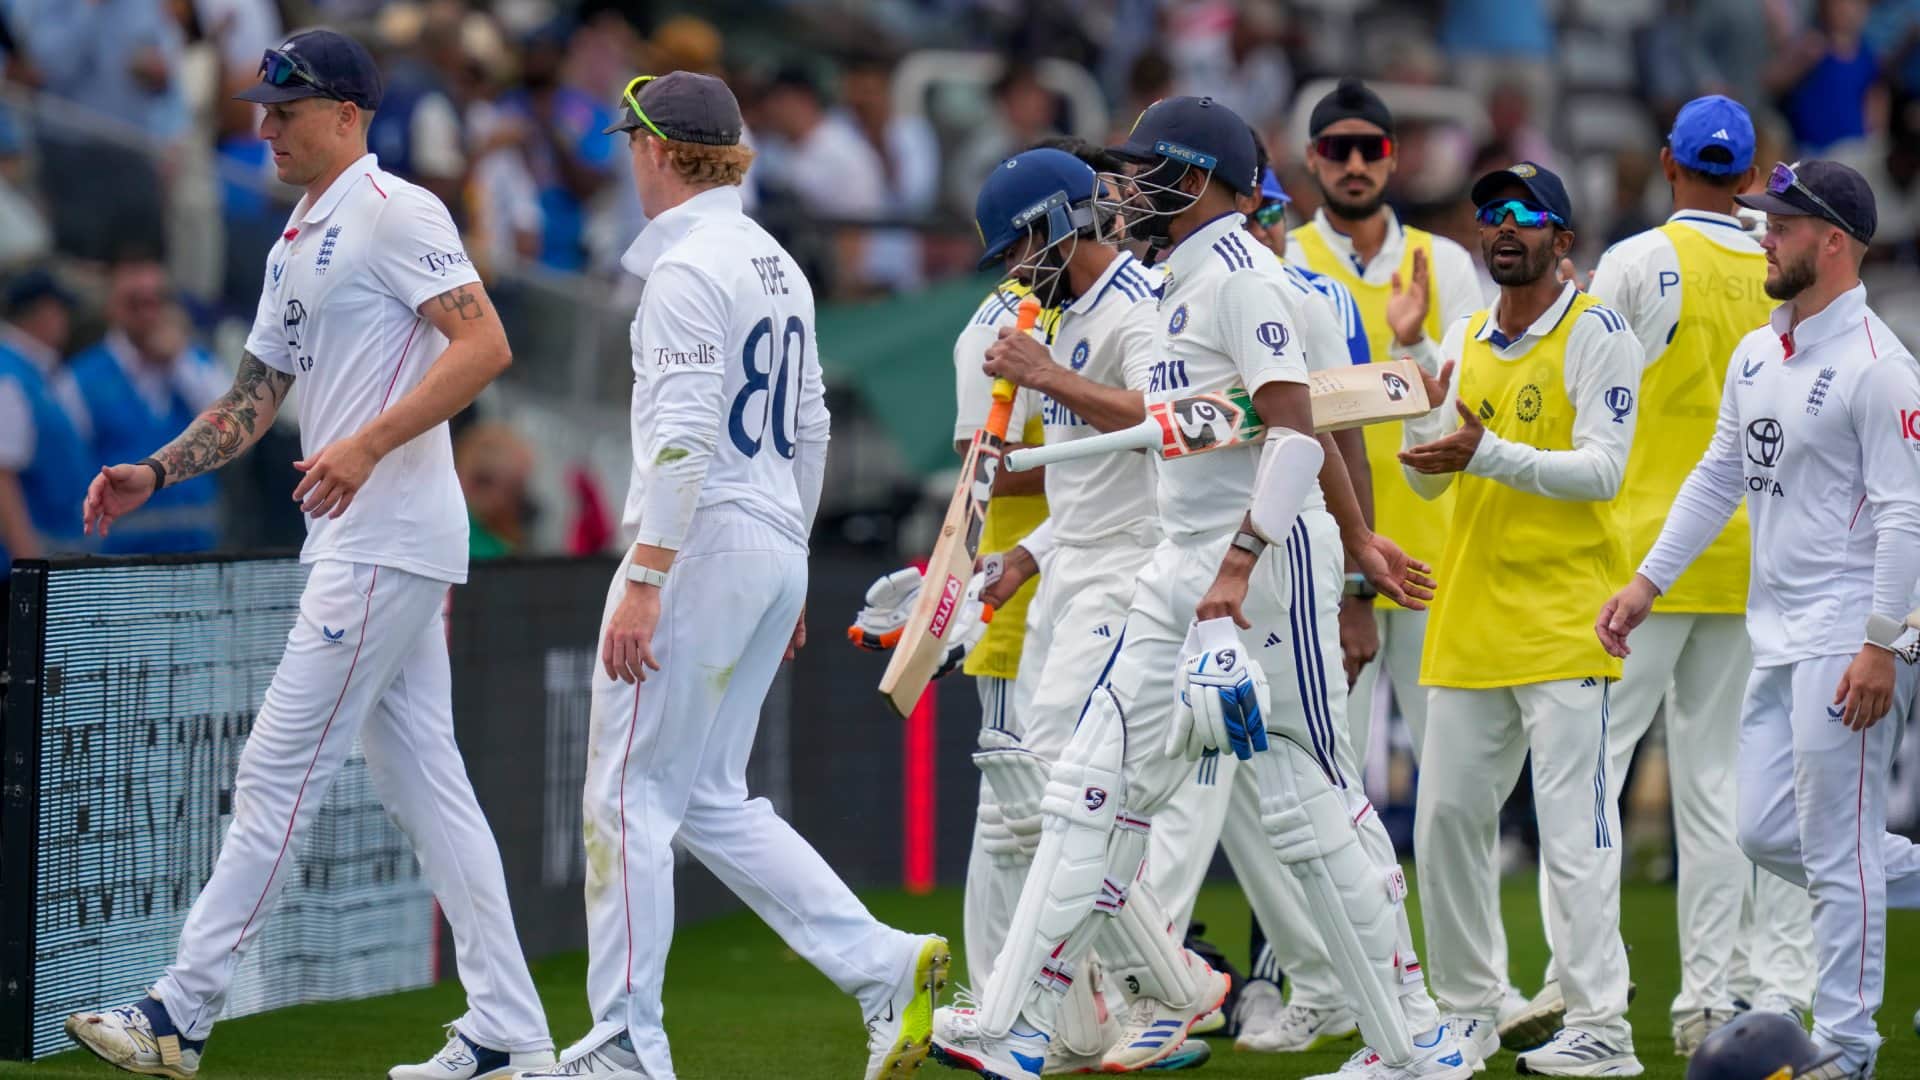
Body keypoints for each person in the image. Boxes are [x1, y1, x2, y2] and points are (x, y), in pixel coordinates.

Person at [932, 95, 1471, 1080]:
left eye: (1144, 172)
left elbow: (1300, 434)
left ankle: (1418, 1040)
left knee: (1311, 812)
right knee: (1086, 795)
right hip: (1179, 564)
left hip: (1262, 574)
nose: (1124, 190)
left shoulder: (1242, 281)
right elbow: (1210, 429)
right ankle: (1016, 1024)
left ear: (1197, 177)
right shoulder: (1174, 280)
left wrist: (1257, 561)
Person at [60, 29, 556, 1080]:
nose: (264, 126)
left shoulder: (394, 211)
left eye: (285, 110)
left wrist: (371, 444)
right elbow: (255, 397)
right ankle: (511, 1034)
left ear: (348, 116)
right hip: (370, 543)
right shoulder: (299, 236)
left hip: (381, 543)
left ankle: (177, 1017)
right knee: (433, 792)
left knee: (278, 773)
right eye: (263, 108)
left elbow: (486, 346)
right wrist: (155, 469)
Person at [523, 71, 948, 1080]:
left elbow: (679, 434)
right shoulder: (778, 264)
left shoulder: (685, 269)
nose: (629, 158)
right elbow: (813, 425)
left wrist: (646, 574)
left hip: (701, 540)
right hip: (765, 540)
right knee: (709, 795)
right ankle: (883, 967)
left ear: (659, 151)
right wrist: (789, 563)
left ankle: (628, 1042)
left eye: (633, 141)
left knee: (625, 800)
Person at [1601, 158, 1920, 1080]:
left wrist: (1881, 644)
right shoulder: (1757, 350)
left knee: (1834, 848)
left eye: (1779, 225)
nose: (1762, 237)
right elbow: (1717, 478)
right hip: (1773, 634)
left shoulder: (1881, 368)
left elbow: (1907, 515)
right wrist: (1648, 584)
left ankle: (1850, 1052)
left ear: (1832, 241)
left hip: (1850, 638)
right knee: (1763, 835)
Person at [1570, 95, 1816, 1055]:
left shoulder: (1634, 261)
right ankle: (1705, 1003)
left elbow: (1584, 386)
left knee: (1586, 778)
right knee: (1719, 792)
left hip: (1639, 560)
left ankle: (1585, 995)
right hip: (1748, 558)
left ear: (1669, 162)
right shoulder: (1779, 267)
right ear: (1750, 177)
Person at [959, 144, 1209, 1074]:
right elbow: (1084, 483)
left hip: (1137, 574)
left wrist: (1044, 376)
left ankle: (1157, 990)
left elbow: (1161, 424)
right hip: (1076, 572)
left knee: (1064, 793)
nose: (1019, 272)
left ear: (1064, 223)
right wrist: (1029, 550)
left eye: (1024, 249)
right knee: (1038, 802)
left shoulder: (1138, 305)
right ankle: (1087, 1018)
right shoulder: (1056, 314)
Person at [1398, 163, 1643, 1076]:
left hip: (1566, 618)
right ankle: (1466, 1010)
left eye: (1526, 214)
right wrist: (1423, 376)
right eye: (1490, 213)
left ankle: (1602, 1029)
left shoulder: (1598, 332)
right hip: (1470, 615)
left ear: (1563, 240)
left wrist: (1488, 451)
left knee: (1575, 836)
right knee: (1448, 824)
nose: (1503, 226)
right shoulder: (1464, 333)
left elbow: (1604, 471)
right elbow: (1429, 472)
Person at [69, 252, 229, 554]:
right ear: (111, 306)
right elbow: (69, 468)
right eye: (135, 301)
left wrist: (179, 361)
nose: (148, 312)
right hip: (117, 559)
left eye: (157, 300)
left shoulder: (196, 363)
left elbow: (232, 426)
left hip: (197, 555)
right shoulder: (80, 379)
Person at [0, 268, 87, 575]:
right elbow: (2, 478)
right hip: (18, 573)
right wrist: (30, 568)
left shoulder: (38, 373)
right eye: (60, 310)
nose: (65, 320)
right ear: (42, 311)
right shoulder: (9, 376)